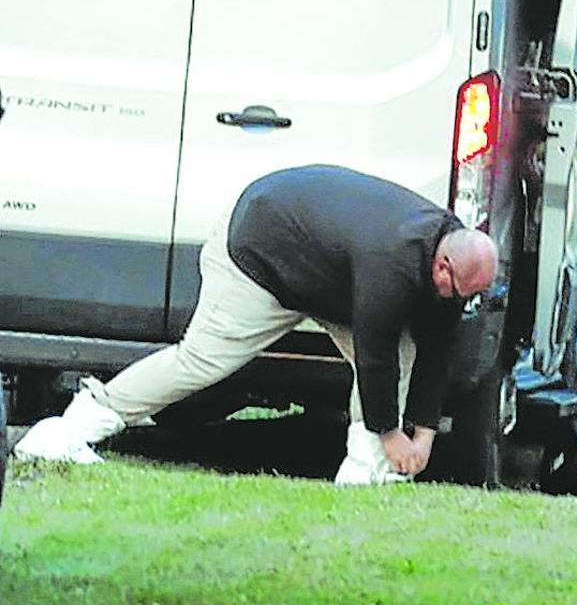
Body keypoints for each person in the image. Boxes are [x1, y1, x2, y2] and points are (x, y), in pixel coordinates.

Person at [15, 165, 498, 485]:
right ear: (441, 268)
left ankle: (364, 474)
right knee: (201, 360)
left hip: (327, 271)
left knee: (403, 353)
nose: (459, 302)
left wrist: (426, 436)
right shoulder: (391, 260)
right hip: (260, 250)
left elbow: (437, 347)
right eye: (457, 292)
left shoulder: (455, 266)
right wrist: (395, 435)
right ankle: (68, 431)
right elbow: (374, 355)